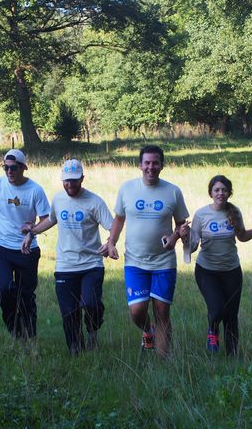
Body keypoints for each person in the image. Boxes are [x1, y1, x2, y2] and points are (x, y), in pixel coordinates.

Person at [103, 145, 189, 358]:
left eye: (155, 163)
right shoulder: (127, 189)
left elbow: (181, 225)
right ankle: (147, 330)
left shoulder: (173, 191)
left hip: (164, 262)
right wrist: (111, 241)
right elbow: (119, 218)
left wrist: (175, 238)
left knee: (162, 310)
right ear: (140, 165)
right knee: (137, 311)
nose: (151, 167)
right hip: (135, 262)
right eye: (147, 163)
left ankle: (163, 360)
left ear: (162, 165)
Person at [21, 159, 113, 355]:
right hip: (65, 265)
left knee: (90, 304)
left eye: (74, 180)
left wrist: (109, 243)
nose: (70, 185)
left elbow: (112, 227)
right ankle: (75, 350)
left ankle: (93, 330)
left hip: (91, 264)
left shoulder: (95, 202)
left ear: (82, 178)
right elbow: (51, 220)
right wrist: (32, 232)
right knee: (69, 312)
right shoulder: (58, 199)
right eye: (66, 181)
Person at [179, 175, 252, 356]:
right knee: (217, 308)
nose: (220, 193)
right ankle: (212, 330)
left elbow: (242, 237)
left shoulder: (234, 213)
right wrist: (184, 236)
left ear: (229, 193)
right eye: (217, 190)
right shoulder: (202, 214)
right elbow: (192, 247)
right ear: (210, 192)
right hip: (207, 271)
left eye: (224, 190)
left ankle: (232, 354)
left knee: (232, 314)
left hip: (232, 271)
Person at [0, 149, 50, 340]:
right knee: (5, 289)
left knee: (25, 295)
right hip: (1, 246)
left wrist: (32, 231)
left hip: (27, 249)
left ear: (24, 168)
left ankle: (30, 335)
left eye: (13, 168)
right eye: (5, 167)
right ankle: (14, 328)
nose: (9, 172)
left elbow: (47, 218)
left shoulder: (35, 190)